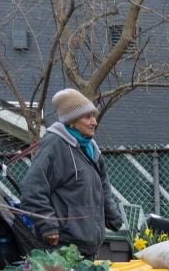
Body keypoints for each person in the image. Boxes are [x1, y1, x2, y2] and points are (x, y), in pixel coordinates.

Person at [19, 88, 123, 260]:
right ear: (72, 121)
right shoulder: (54, 145)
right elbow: (32, 189)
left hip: (89, 245)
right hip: (62, 247)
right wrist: (47, 225)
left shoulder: (91, 148)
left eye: (94, 116)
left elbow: (103, 187)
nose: (94, 122)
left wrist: (112, 216)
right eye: (87, 117)